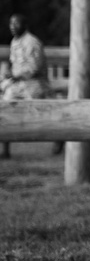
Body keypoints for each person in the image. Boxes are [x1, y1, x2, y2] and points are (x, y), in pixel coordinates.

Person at [1, 13, 62, 157]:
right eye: (11, 24)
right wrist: (9, 75)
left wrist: (16, 75)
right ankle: (5, 149)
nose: (12, 27)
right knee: (4, 111)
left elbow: (35, 68)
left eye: (16, 24)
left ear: (25, 26)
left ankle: (59, 137)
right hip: (17, 85)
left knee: (42, 115)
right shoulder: (15, 41)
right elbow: (15, 63)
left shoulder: (32, 42)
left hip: (34, 85)